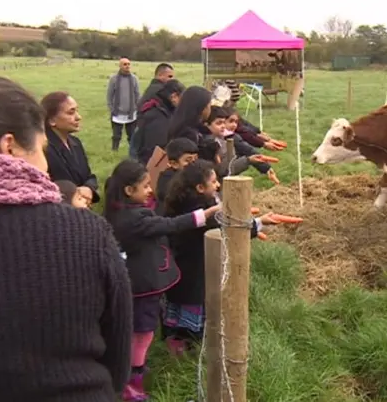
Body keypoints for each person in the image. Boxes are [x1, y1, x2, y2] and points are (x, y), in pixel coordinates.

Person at [0, 75, 132, 402]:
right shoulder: (86, 234)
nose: (46, 165)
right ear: (10, 146)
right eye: (42, 149)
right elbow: (118, 361)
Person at [103, 158, 220, 401]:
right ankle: (132, 382)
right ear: (128, 190)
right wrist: (203, 215)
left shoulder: (120, 211)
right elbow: (169, 225)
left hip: (137, 284)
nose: (150, 190)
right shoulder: (134, 219)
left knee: (140, 328)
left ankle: (134, 369)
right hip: (143, 286)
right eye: (145, 186)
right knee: (143, 332)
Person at [161, 159, 278, 353]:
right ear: (199, 187)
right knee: (192, 310)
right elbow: (228, 233)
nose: (217, 185)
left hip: (182, 266)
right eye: (214, 182)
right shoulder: (203, 214)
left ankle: (179, 339)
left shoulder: (183, 201)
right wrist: (259, 223)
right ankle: (184, 345)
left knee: (181, 306)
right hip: (195, 270)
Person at [41, 91, 100, 206]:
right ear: (52, 120)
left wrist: (88, 189)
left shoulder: (76, 143)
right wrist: (74, 194)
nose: (78, 117)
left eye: (77, 111)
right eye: (71, 113)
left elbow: (89, 176)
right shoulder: (44, 149)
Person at [200, 105, 273, 182]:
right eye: (219, 123)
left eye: (224, 123)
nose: (223, 126)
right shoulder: (209, 144)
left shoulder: (227, 139)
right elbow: (223, 170)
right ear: (206, 125)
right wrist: (248, 160)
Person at [133, 79, 185, 164]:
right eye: (182, 99)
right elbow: (156, 149)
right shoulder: (158, 117)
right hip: (153, 164)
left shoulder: (164, 110)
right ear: (174, 97)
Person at [154, 137, 199, 214]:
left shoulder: (193, 174)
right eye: (188, 160)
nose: (193, 164)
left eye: (195, 159)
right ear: (174, 164)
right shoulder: (167, 180)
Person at [107, 57, 140, 151]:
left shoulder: (134, 79)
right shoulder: (114, 79)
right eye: (125, 64)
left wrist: (138, 108)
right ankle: (114, 150)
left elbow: (137, 94)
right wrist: (111, 108)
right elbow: (109, 95)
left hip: (131, 112)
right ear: (120, 66)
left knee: (132, 135)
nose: (127, 66)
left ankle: (133, 151)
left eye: (129, 64)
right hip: (117, 113)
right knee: (116, 135)